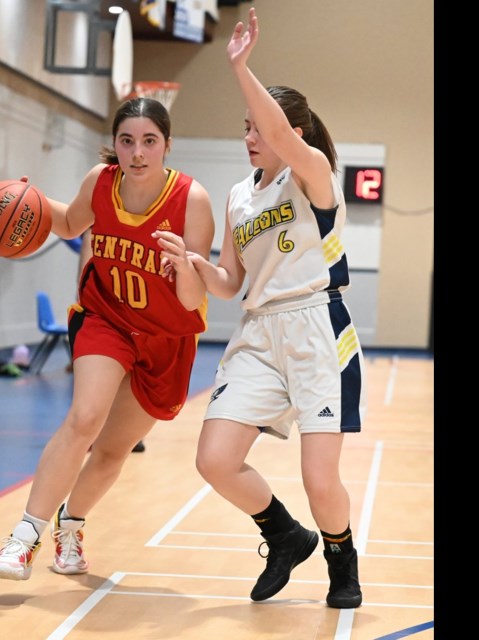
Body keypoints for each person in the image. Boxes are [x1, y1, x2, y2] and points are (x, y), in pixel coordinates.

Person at [0, 96, 215, 581]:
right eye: (127, 141)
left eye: (149, 141)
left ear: (167, 145)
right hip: (106, 317)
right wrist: (20, 199)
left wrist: (183, 265)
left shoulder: (192, 200)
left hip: (167, 336)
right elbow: (68, 223)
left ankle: (72, 526)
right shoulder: (100, 181)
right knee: (84, 418)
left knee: (112, 451)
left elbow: (194, 299)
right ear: (114, 144)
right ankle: (22, 539)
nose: (137, 152)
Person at [178, 7, 366, 608]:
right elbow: (231, 282)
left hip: (317, 327)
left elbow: (282, 137)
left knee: (319, 477)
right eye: (246, 127)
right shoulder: (238, 194)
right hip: (259, 331)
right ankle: (284, 534)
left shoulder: (315, 174)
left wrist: (239, 65)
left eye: (258, 127)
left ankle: (342, 560)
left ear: (293, 134)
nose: (250, 135)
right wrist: (198, 268)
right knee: (215, 459)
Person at [72, 228, 146, 453]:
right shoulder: (96, 226)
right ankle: (94, 430)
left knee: (128, 381)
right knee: (98, 385)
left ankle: (123, 433)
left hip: (140, 316)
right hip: (103, 315)